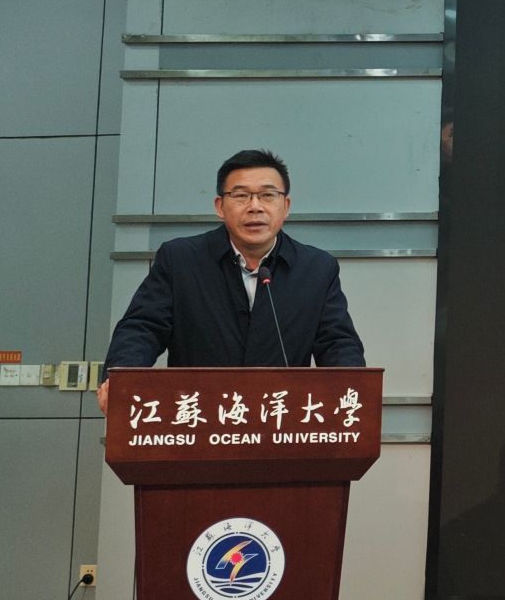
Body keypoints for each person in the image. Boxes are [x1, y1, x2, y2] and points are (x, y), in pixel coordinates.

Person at [98, 149, 364, 413]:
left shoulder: (316, 268)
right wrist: (121, 379)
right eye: (241, 196)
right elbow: (143, 328)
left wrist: (352, 389)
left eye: (268, 195)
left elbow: (338, 343)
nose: (255, 207)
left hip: (280, 418)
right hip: (198, 417)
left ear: (286, 206)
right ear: (220, 206)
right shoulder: (180, 260)